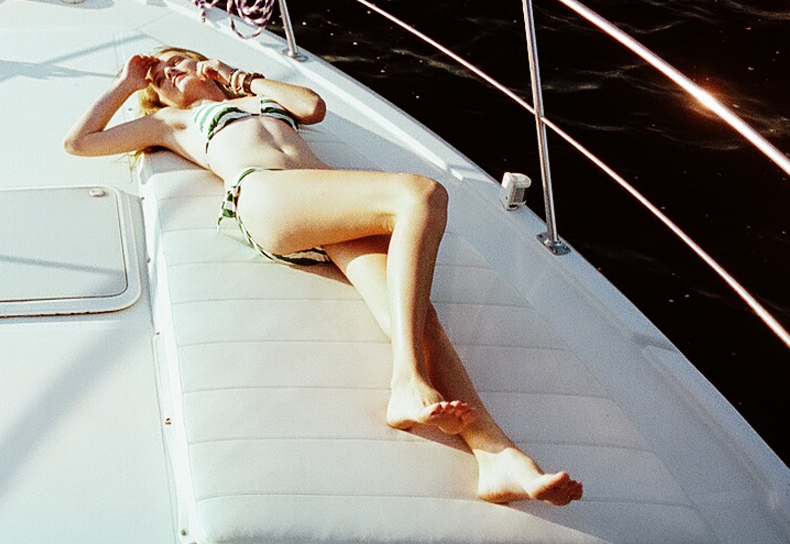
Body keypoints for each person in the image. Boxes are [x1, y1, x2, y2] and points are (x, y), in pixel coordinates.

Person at [64, 47, 582, 507]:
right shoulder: (172, 123)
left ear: (201, 63)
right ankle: (406, 381)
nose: (167, 72)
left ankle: (497, 457)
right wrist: (129, 83)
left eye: (175, 61)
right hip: (269, 196)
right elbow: (80, 143)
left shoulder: (252, 97)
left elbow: (312, 106)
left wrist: (238, 76)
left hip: (327, 207)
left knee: (415, 312)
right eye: (159, 78)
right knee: (420, 194)